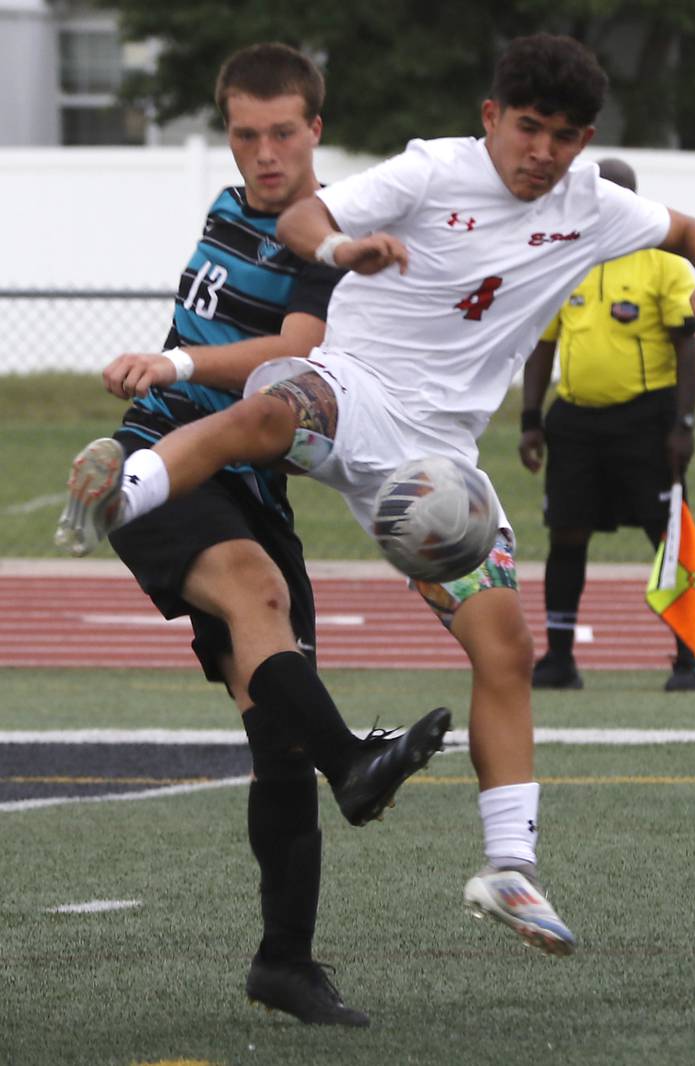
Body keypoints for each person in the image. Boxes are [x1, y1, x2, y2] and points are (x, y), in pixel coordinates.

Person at [55, 33, 695, 960]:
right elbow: (307, 222)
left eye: (566, 136)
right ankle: (120, 492)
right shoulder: (431, 171)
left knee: (506, 646)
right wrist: (346, 245)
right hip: (356, 387)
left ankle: (508, 869)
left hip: (438, 464)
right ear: (492, 118)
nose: (542, 152)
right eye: (528, 128)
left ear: (585, 141)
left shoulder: (595, 205)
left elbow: (694, 230)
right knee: (270, 410)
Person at [56, 42, 452, 1029]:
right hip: (165, 466)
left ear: (316, 129)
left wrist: (177, 354)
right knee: (254, 597)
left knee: (274, 730)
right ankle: (357, 765)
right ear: (228, 132)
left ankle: (284, 961)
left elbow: (293, 356)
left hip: (253, 492)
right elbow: (244, 360)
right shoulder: (229, 206)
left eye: (283, 133)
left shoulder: (331, 240)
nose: (263, 153)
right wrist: (152, 395)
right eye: (244, 134)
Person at [518, 157, 695, 692]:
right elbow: (544, 345)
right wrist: (532, 420)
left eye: (612, 197)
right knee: (567, 532)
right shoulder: (566, 257)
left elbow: (686, 349)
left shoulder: (664, 263)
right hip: (575, 420)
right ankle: (559, 658)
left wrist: (683, 424)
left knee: (667, 536)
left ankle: (689, 656)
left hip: (647, 419)